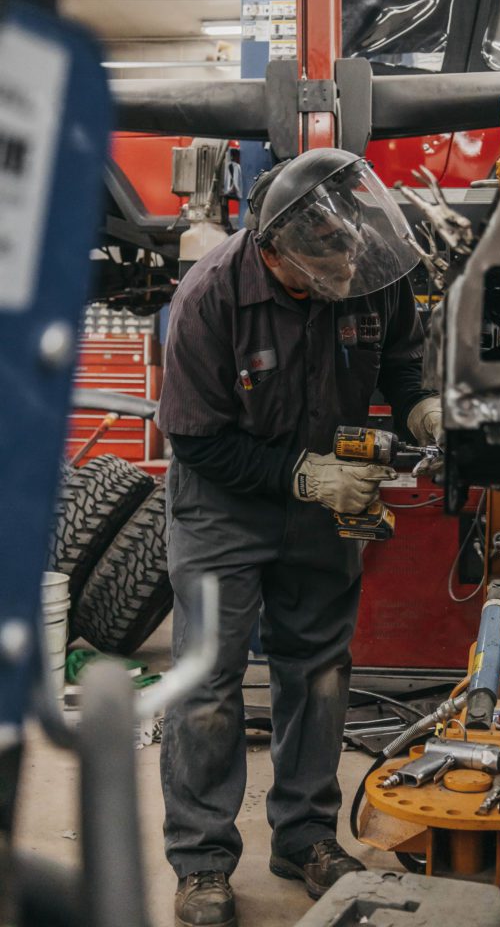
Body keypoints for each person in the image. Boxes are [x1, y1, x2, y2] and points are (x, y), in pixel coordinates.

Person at [156, 148, 443, 927]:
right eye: (324, 273)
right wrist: (304, 476)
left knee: (317, 670)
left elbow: (400, 359)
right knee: (209, 685)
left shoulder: (369, 266)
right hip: (223, 506)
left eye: (352, 258)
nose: (345, 278)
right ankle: (204, 862)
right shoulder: (211, 296)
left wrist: (418, 407)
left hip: (325, 502)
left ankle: (305, 836)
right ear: (273, 252)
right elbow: (193, 438)